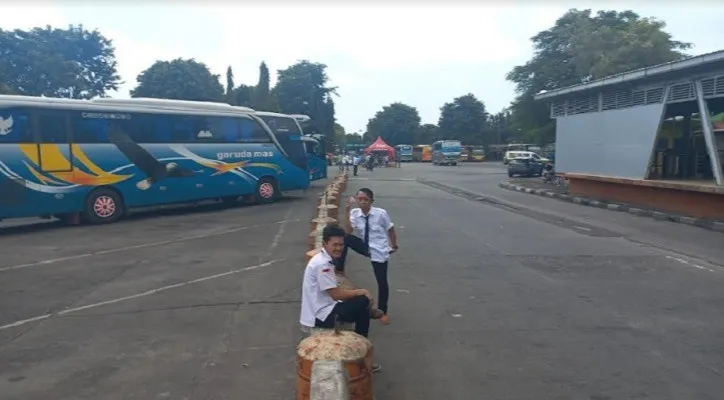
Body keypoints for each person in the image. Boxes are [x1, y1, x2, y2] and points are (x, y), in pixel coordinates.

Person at [300, 225, 382, 372]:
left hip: (325, 308)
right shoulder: (322, 264)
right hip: (320, 316)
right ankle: (361, 353)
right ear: (325, 244)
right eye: (335, 245)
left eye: (341, 244)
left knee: (362, 311)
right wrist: (361, 291)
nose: (339, 248)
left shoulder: (324, 259)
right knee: (363, 299)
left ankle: (359, 353)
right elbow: (336, 294)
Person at [344, 188, 398, 324]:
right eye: (359, 199)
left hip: (378, 250)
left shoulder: (381, 214)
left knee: (382, 281)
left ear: (371, 201)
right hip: (364, 246)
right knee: (344, 237)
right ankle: (339, 268)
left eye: (365, 200)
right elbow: (349, 230)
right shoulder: (355, 213)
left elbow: (390, 229)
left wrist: (394, 246)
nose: (362, 202)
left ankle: (382, 311)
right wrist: (346, 210)